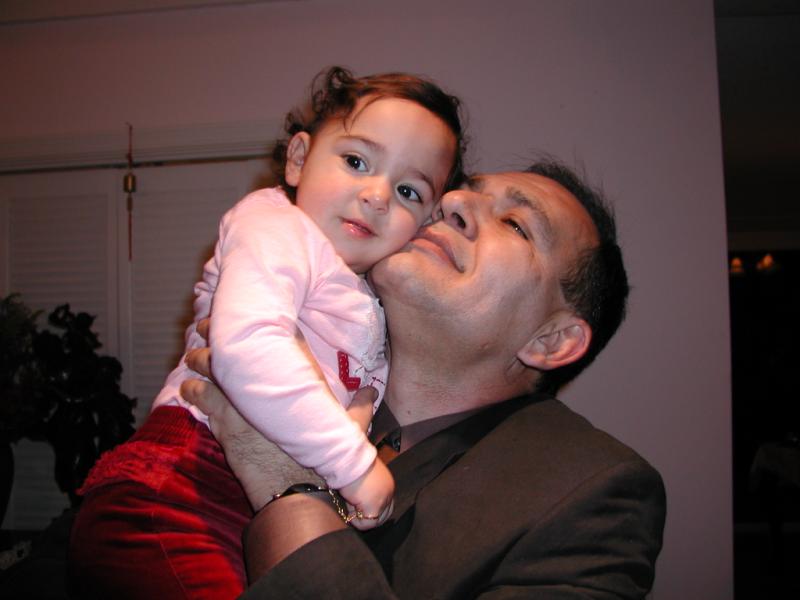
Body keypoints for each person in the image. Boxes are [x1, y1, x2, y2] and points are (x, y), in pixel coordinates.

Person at [180, 161, 667, 598]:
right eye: (461, 190)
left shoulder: (595, 496)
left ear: (552, 340)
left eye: (515, 224)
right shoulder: (279, 362)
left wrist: (288, 488)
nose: (450, 201)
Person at [68, 66, 465, 599]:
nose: (377, 196)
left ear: (426, 221)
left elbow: (354, 393)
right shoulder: (276, 226)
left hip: (251, 506)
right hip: (178, 489)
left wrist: (350, 438)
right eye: (356, 162)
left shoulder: (368, 294)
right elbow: (247, 347)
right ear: (298, 159)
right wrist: (353, 466)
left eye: (408, 190)